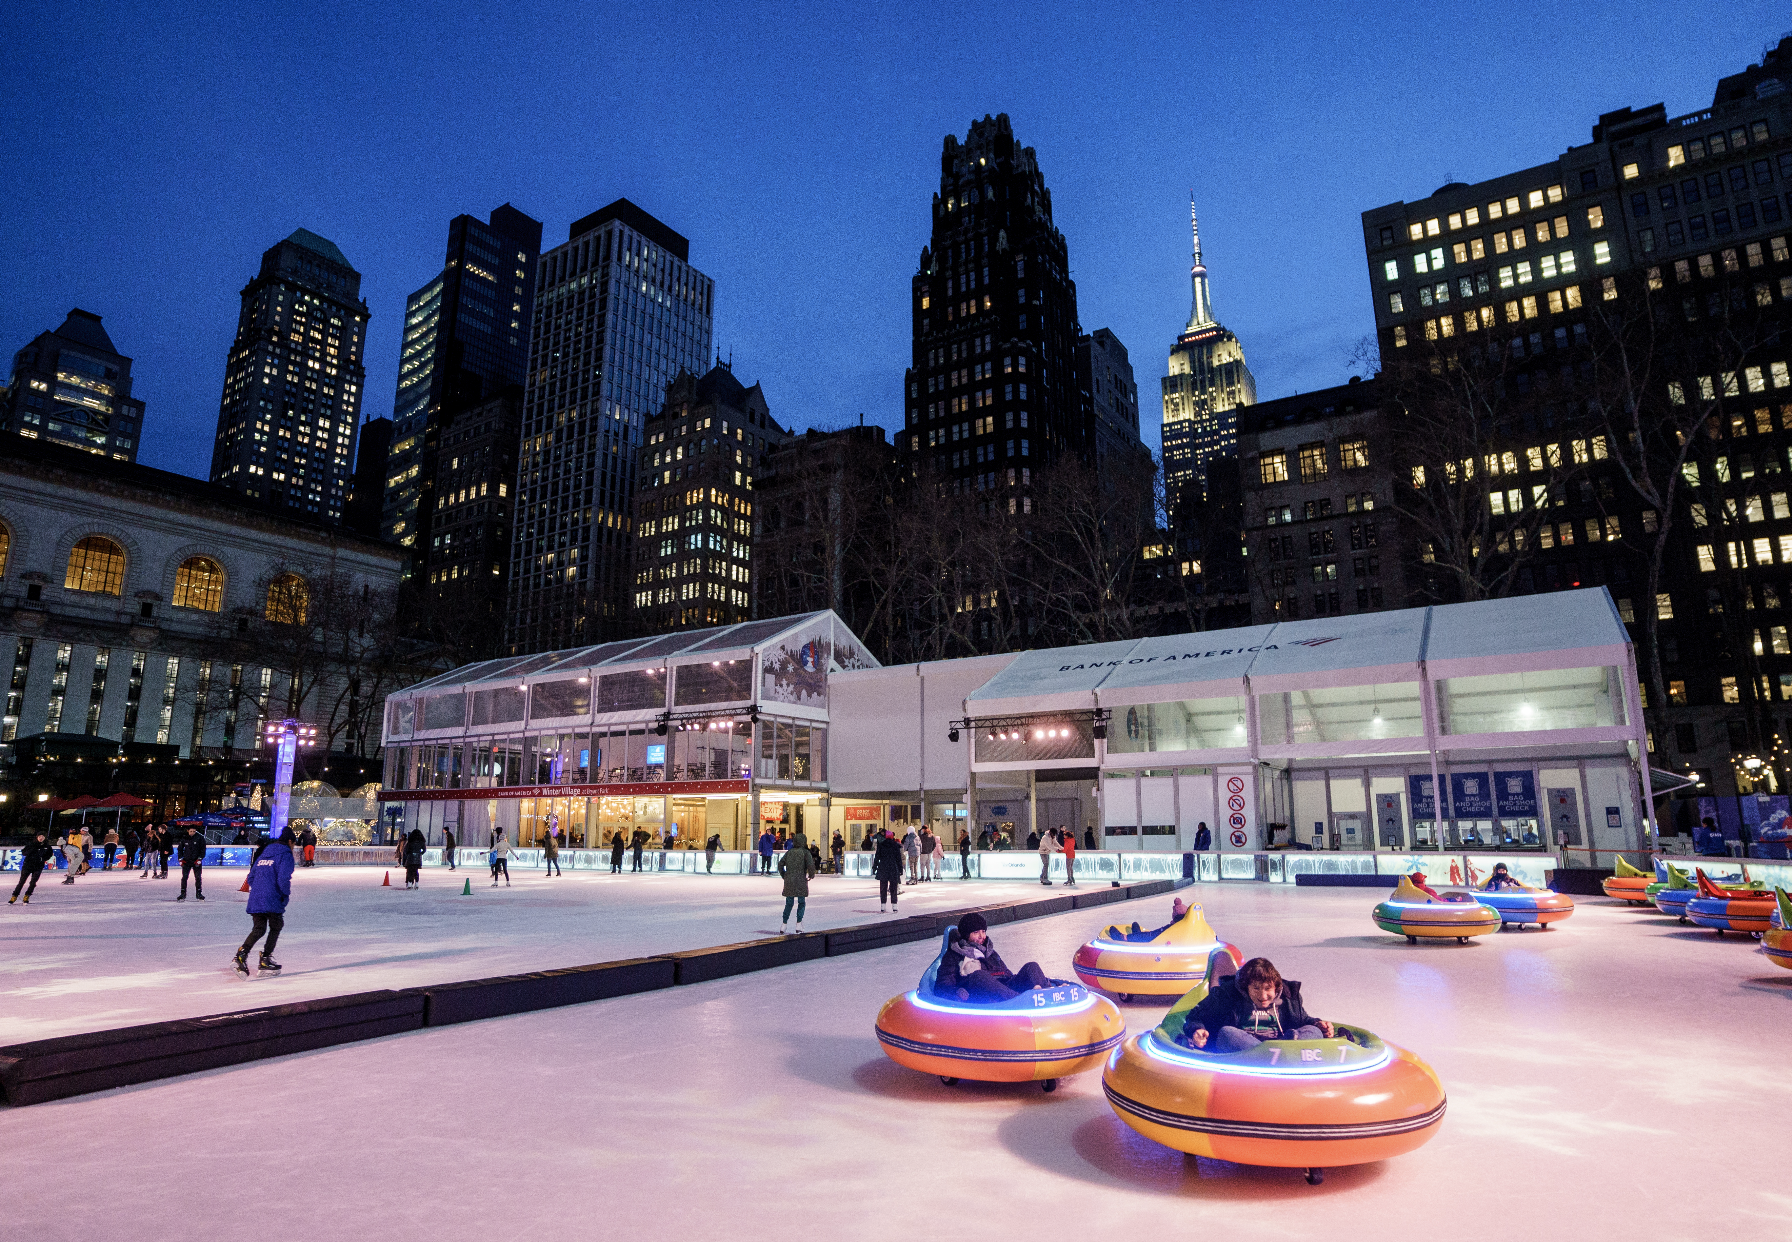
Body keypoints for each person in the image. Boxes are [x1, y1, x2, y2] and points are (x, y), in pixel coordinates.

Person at [1175, 957, 1334, 1052]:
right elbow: (1195, 1016)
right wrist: (1197, 1029)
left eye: (1267, 989)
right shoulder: (1227, 996)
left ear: (1276, 987)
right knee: (1227, 1033)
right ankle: (1271, 1053)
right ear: (1247, 987)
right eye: (1256, 989)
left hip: (1282, 1041)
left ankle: (1280, 1050)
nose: (1263, 996)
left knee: (1313, 1031)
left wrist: (1318, 1024)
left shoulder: (1288, 998)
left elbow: (1303, 1020)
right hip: (1246, 1048)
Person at [937, 913, 1058, 1002]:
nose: (981, 936)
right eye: (976, 932)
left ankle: (1044, 993)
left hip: (1003, 988)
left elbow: (1006, 974)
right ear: (966, 935)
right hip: (979, 991)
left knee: (1031, 966)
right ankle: (1020, 1000)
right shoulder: (954, 955)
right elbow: (943, 986)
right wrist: (957, 993)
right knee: (979, 975)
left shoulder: (990, 952)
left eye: (983, 931)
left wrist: (1026, 979)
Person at [234, 827, 296, 975]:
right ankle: (266, 959)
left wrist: (260, 890)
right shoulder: (286, 854)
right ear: (289, 841)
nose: (294, 847)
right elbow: (283, 878)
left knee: (259, 929)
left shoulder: (265, 853)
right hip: (273, 898)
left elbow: (251, 877)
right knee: (276, 925)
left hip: (257, 897)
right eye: (294, 844)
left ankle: (241, 955)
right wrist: (285, 894)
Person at [778, 830, 817, 934]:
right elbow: (810, 865)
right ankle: (798, 924)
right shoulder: (805, 852)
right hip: (800, 880)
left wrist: (784, 875)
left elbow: (780, 864)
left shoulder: (789, 852)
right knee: (801, 902)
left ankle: (784, 924)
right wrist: (811, 874)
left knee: (789, 903)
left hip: (789, 880)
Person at [1111, 896, 1191, 942]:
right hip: (1163, 935)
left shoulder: (1176, 928)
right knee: (1151, 933)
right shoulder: (1179, 926)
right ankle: (1137, 934)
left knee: (1150, 935)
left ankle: (1124, 938)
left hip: (1161, 940)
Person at [9, 830, 53, 904]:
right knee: (21, 881)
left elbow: (49, 855)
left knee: (33, 883)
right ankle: (14, 896)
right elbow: (24, 852)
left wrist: (43, 859)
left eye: (42, 836)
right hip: (28, 866)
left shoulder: (47, 847)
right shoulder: (31, 844)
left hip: (38, 866)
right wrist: (31, 851)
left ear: (45, 837)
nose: (41, 838)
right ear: (37, 837)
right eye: (39, 836)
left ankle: (27, 895)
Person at [873, 828, 905, 913]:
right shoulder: (895, 845)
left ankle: (883, 906)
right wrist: (900, 869)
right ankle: (894, 906)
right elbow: (898, 859)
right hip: (893, 868)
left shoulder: (881, 845)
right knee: (893, 888)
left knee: (883, 888)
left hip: (883, 867)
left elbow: (877, 857)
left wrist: (874, 868)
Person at [176, 824, 207, 900]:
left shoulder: (200, 838)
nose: (192, 833)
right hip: (186, 861)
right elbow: (180, 849)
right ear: (188, 831)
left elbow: (203, 849)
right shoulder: (184, 838)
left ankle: (199, 893)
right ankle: (183, 894)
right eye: (191, 831)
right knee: (184, 878)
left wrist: (199, 859)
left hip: (196, 861)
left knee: (198, 877)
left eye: (194, 831)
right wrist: (180, 859)